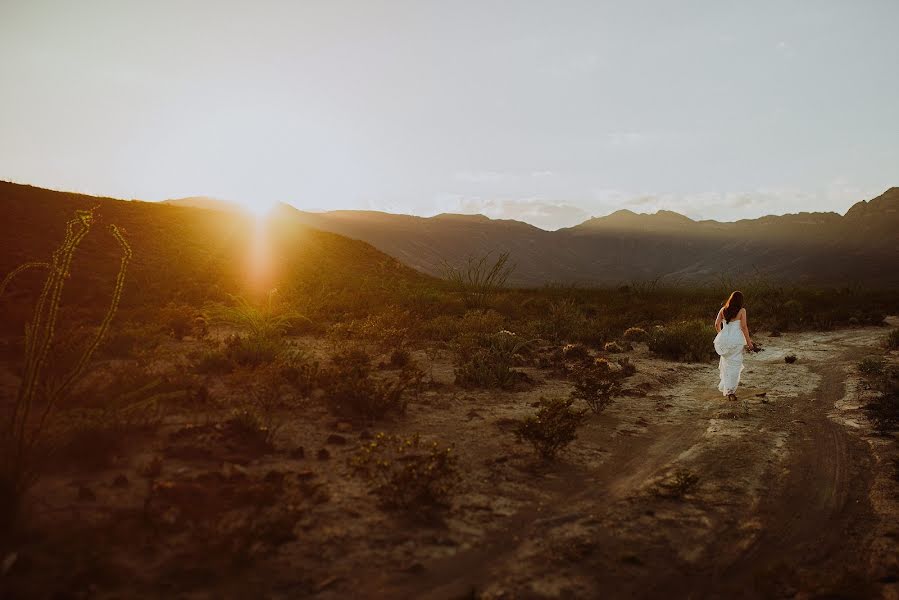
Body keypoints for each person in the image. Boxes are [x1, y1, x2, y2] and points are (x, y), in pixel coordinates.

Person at [714, 291, 754, 401]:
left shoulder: (723, 310)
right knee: (735, 365)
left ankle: (728, 389)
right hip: (736, 341)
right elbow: (744, 327)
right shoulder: (742, 311)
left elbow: (716, 324)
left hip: (724, 341)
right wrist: (749, 343)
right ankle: (731, 390)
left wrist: (721, 334)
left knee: (726, 364)